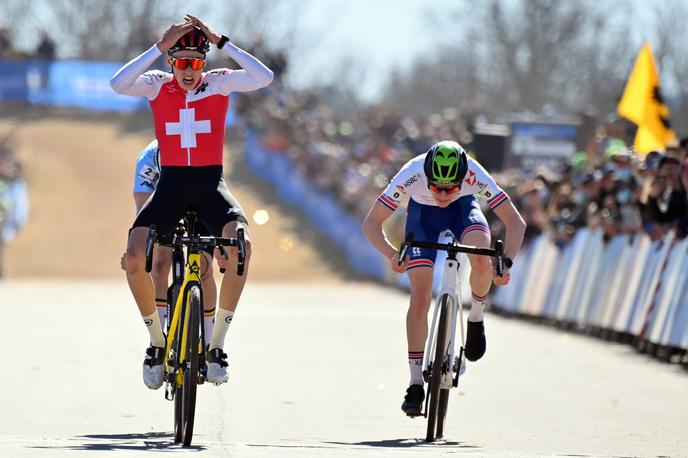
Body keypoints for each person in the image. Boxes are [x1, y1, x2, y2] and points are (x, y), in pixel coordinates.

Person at [110, 15, 273, 389]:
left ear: (205, 64)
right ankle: (155, 344)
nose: (188, 70)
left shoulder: (219, 83)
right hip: (170, 187)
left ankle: (216, 348)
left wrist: (222, 41)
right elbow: (117, 84)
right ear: (171, 62)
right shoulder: (157, 86)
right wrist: (159, 46)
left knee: (242, 248)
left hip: (210, 185)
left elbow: (264, 77)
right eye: (181, 61)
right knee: (136, 257)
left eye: (196, 63)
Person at [362, 140, 526, 416]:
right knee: (420, 297)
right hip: (422, 220)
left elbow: (515, 222)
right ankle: (415, 382)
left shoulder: (475, 173)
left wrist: (505, 263)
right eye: (436, 187)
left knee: (481, 256)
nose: (442, 193)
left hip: (463, 213)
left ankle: (476, 315)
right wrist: (391, 254)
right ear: (427, 176)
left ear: (464, 178)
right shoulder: (412, 174)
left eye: (451, 187)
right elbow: (371, 224)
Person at [120, 140, 227, 348]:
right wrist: (136, 248)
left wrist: (221, 245)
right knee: (159, 262)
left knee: (204, 270)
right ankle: (158, 342)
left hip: (199, 200)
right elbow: (143, 214)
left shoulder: (198, 151)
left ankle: (208, 343)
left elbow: (217, 203)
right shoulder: (148, 159)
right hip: (162, 202)